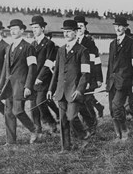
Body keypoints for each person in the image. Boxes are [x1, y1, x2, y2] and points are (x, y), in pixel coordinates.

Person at [47, 20, 91, 152]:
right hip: (61, 91)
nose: (66, 34)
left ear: (76, 32)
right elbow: (56, 72)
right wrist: (51, 89)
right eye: (64, 31)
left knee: (71, 117)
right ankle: (65, 147)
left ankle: (84, 136)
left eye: (69, 31)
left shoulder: (82, 51)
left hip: (74, 92)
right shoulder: (60, 50)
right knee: (63, 121)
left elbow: (85, 73)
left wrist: (79, 89)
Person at [0, 19, 39, 145]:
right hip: (9, 87)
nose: (13, 31)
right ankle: (10, 141)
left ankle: (34, 129)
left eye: (15, 29)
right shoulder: (8, 48)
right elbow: (4, 69)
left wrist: (28, 86)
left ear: (22, 30)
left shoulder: (28, 47)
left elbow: (32, 68)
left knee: (18, 111)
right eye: (11, 29)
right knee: (8, 113)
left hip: (21, 85)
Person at [106, 16, 133, 141]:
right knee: (112, 109)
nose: (118, 28)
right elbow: (110, 65)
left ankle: (125, 130)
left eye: (121, 26)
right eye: (116, 26)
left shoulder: (132, 44)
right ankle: (118, 134)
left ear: (125, 27)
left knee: (116, 106)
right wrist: (106, 83)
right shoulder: (112, 44)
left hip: (125, 82)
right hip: (112, 82)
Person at [74, 15, 103, 135]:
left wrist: (98, 78)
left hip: (88, 76)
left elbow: (96, 62)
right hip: (76, 77)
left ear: (85, 27)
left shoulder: (89, 43)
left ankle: (92, 124)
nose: (79, 28)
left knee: (86, 100)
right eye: (77, 26)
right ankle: (88, 122)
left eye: (81, 26)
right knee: (80, 102)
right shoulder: (73, 41)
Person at [29, 16, 58, 134]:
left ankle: (51, 123)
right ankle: (37, 129)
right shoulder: (32, 44)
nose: (34, 30)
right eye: (32, 27)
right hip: (32, 79)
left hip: (44, 80)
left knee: (40, 103)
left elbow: (48, 63)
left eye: (36, 27)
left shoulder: (49, 44)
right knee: (33, 106)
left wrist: (40, 78)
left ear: (43, 28)